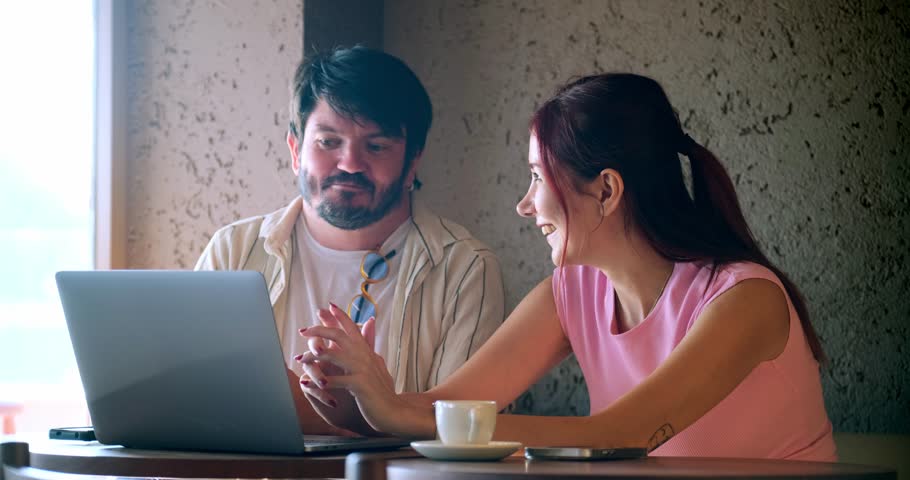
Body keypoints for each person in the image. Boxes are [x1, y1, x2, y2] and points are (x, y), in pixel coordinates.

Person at [295, 73, 837, 460]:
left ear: (606, 190)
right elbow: (446, 407)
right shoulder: (572, 291)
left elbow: (620, 433)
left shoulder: (745, 298)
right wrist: (357, 403)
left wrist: (397, 411)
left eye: (537, 177)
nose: (525, 205)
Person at [195, 46, 504, 435]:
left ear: (413, 161)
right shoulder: (233, 251)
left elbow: (461, 435)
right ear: (295, 150)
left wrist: (369, 406)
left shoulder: (464, 269)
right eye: (328, 142)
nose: (350, 163)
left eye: (376, 147)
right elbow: (196, 409)